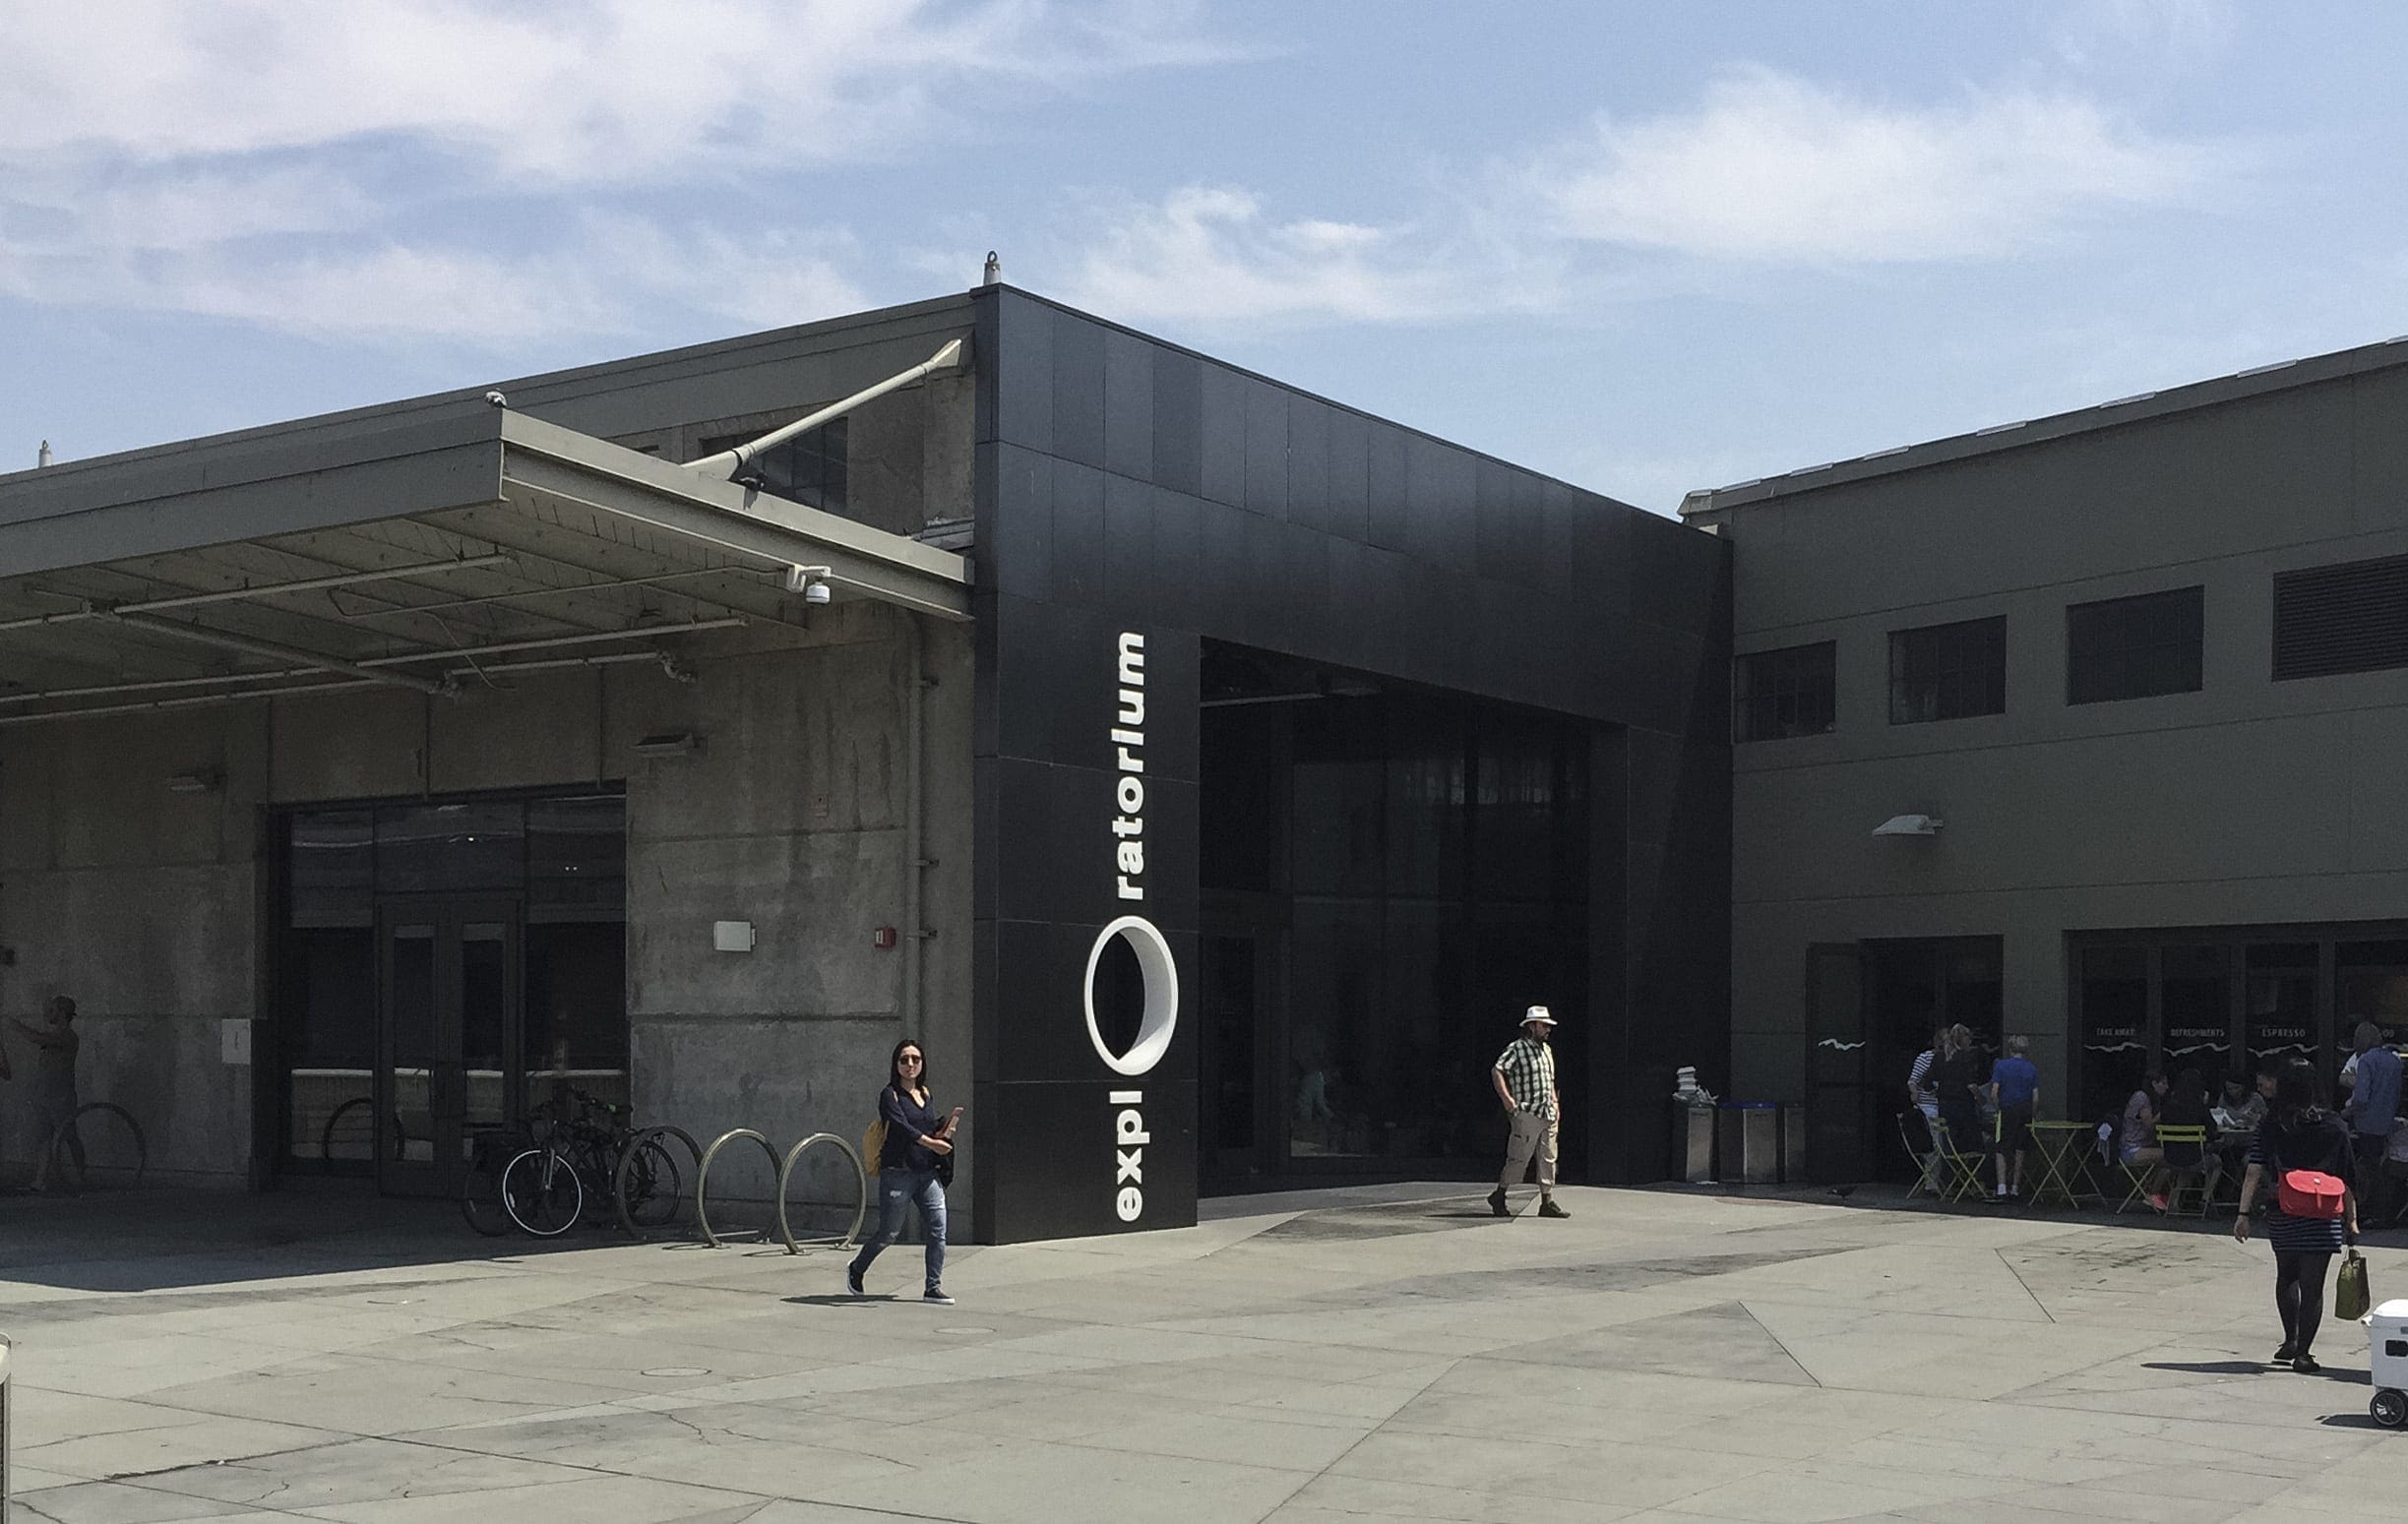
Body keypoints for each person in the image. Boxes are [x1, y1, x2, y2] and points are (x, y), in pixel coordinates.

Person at [2234, 1059, 2359, 1373]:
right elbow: (2347, 1178)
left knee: (2287, 1275)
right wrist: (2352, 1219)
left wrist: (2243, 1213)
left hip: (2284, 1209)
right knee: (2313, 1285)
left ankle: (2290, 1339)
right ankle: (2304, 1353)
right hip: (2324, 1214)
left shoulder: (2272, 1122)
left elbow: (2253, 1170)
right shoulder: (2334, 1125)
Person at [845, 1038, 959, 1304]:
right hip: (898, 1172)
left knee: (937, 1229)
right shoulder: (890, 1095)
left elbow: (928, 1125)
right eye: (904, 1060)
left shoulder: (926, 1093)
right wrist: (931, 1142)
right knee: (889, 1233)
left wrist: (945, 1133)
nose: (910, 1065)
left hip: (927, 1172)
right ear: (896, 1064)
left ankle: (933, 1286)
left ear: (922, 1064)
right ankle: (856, 1268)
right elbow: (901, 1128)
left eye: (915, 1059)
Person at [1488, 1006, 1568, 1219]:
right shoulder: (1517, 1048)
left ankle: (1547, 1201)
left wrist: (1555, 1102)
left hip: (1547, 1113)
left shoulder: (1547, 1050)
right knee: (1519, 1157)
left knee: (1548, 1157)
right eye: (1544, 1025)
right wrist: (1509, 1102)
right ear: (1532, 1026)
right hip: (1527, 1112)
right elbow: (1498, 1070)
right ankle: (1500, 1193)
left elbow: (1549, 1080)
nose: (1548, 1029)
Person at [11, 996, 82, 1192]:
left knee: (69, 1136)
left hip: (61, 1095)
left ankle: (80, 1175)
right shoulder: (56, 1035)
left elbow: (38, 1038)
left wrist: (15, 1025)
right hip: (44, 1095)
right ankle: (39, 1181)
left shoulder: (67, 1036)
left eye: (52, 1010)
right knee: (44, 1138)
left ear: (61, 1013)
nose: (47, 1013)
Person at [2340, 1022, 2401, 1223]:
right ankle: (2385, 1212)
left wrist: (2347, 1111)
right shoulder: (2394, 1061)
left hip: (2367, 1122)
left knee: (2369, 1168)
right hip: (2387, 1120)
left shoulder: (2366, 1061)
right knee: (2381, 1168)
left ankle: (2374, 1213)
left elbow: (2361, 1098)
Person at [1988, 1034, 2040, 1199]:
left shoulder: (2001, 1066)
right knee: (2020, 1148)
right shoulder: (2031, 1068)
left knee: (2001, 1147)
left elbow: (1994, 1092)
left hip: (2007, 1109)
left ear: (2010, 1049)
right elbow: (2036, 1097)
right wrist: (2032, 1113)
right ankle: (2015, 1187)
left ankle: (2002, 1186)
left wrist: (1997, 1109)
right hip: (2025, 1110)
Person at [1934, 1024, 1988, 1164]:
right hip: (1963, 1105)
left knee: (1948, 1143)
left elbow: (1929, 1082)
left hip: (1944, 1105)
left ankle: (1949, 1176)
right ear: (1964, 1039)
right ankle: (1975, 1175)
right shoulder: (1966, 1057)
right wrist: (1981, 1099)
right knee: (1974, 1142)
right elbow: (1971, 1084)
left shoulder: (1939, 1057)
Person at [2121, 1071, 2169, 1211]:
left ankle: (2154, 1191)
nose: (2167, 1087)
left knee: (2167, 1158)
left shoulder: (2149, 1098)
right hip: (2132, 1149)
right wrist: (2162, 1114)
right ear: (2154, 1084)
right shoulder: (2142, 1098)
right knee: (2169, 1156)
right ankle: (2153, 1193)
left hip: (2141, 1146)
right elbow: (2148, 1125)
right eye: (2164, 1083)